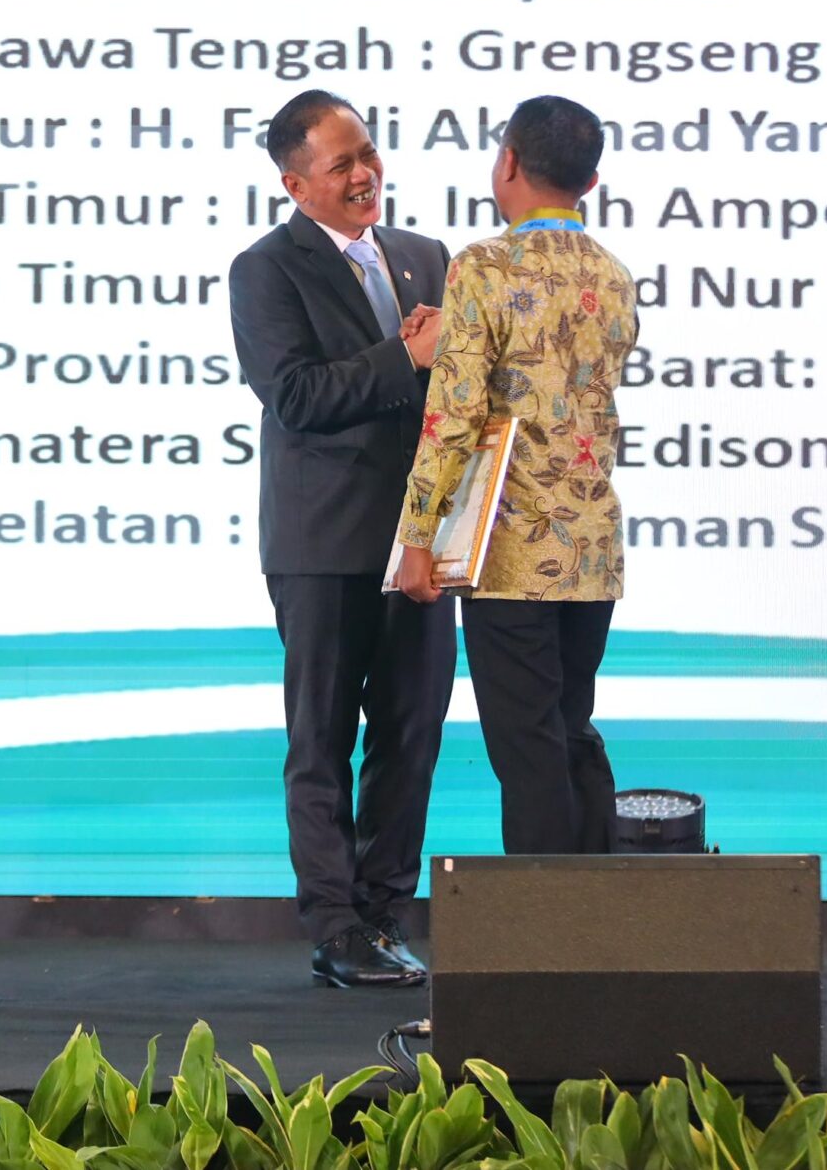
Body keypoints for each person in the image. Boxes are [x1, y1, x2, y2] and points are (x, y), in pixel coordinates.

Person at [228, 90, 453, 988]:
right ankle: (334, 926)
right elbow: (296, 396)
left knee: (412, 731)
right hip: (322, 543)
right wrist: (407, 357)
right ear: (295, 184)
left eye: (368, 152)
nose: (365, 174)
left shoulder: (427, 257)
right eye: (341, 164)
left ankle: (384, 914)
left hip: (422, 544)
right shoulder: (265, 270)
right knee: (321, 739)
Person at [396, 95, 639, 855]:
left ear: (506, 163)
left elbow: (455, 414)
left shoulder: (484, 267)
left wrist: (417, 538)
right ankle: (604, 905)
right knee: (570, 727)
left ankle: (547, 922)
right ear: (590, 181)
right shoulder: (614, 274)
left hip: (512, 553)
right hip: (591, 549)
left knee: (528, 745)